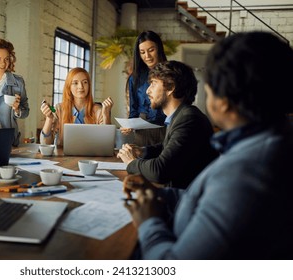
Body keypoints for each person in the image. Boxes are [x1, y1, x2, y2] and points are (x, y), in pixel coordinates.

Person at [123, 31, 293, 259]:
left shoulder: (245, 174)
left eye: (210, 85)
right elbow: (205, 197)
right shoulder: (264, 146)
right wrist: (161, 195)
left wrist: (148, 221)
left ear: (223, 102)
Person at [118, 61, 217, 188]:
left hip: (184, 201)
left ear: (170, 87)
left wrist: (131, 162)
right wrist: (142, 151)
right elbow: (168, 147)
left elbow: (159, 172)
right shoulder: (180, 115)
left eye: (153, 84)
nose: (148, 91)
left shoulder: (189, 119)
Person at [40, 67, 113, 146]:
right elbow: (45, 143)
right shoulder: (59, 109)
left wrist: (106, 115)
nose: (81, 86)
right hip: (64, 157)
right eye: (75, 83)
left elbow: (107, 143)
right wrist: (49, 118)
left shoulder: (99, 111)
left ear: (89, 85)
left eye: (85, 82)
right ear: (69, 87)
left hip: (91, 157)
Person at [121, 30, 167, 146]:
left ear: (159, 48)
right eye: (142, 52)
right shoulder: (134, 78)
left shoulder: (171, 73)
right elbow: (134, 109)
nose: (147, 56)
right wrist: (129, 125)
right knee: (143, 160)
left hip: (168, 128)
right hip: (143, 131)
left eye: (151, 50)